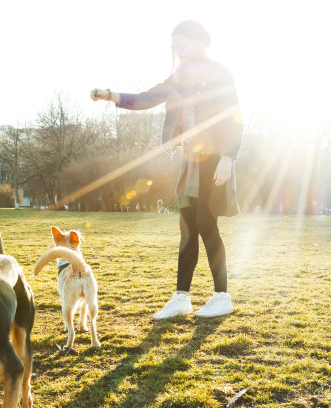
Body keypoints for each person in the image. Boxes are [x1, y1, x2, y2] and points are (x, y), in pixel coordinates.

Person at [91, 20, 243, 319]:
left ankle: (222, 296)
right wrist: (112, 95)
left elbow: (234, 118)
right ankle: (182, 297)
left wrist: (228, 157)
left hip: (214, 160)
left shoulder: (219, 73)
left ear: (199, 43)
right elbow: (147, 98)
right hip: (191, 163)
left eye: (181, 43)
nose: (175, 49)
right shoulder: (179, 78)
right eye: (173, 45)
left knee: (206, 223)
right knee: (188, 227)